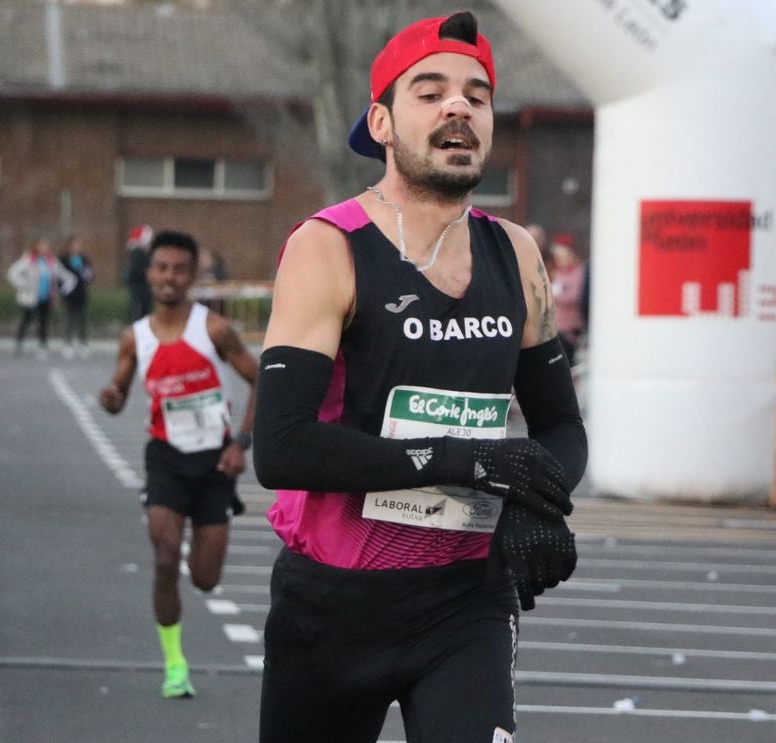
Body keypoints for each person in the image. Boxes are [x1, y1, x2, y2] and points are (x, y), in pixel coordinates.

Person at [250, 12, 585, 742]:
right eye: (429, 92)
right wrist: (470, 459)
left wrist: (539, 503)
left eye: (476, 95)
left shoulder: (516, 253)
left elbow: (560, 426)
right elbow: (281, 449)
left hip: (465, 603)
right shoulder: (329, 246)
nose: (458, 107)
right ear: (382, 121)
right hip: (334, 607)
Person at [98, 230, 258, 698]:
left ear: (192, 276)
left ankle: (202, 554)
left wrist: (240, 443)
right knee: (166, 559)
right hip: (165, 458)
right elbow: (118, 396)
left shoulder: (213, 329)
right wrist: (109, 398)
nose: (170, 277)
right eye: (162, 268)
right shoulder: (136, 337)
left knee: (206, 580)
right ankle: (174, 665)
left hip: (214, 464)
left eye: (179, 269)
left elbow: (260, 378)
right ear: (149, 274)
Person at [7, 239, 75, 358]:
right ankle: (18, 343)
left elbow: (64, 275)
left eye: (46, 246)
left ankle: (42, 345)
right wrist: (24, 284)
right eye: (42, 246)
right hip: (30, 297)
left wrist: (66, 286)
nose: (44, 249)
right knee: (26, 320)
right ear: (36, 247)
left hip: (46, 297)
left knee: (43, 322)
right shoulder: (29, 259)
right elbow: (12, 273)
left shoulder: (51, 261)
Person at [547, 232, 586, 362]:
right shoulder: (555, 272)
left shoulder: (576, 273)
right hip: (554, 327)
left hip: (568, 329)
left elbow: (574, 297)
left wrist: (553, 295)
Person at [59, 236, 95, 359]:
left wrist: (87, 273)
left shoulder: (84, 259)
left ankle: (82, 343)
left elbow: (91, 275)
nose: (77, 247)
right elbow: (59, 275)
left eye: (79, 245)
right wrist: (63, 287)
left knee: (82, 319)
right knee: (69, 319)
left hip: (81, 293)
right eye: (74, 245)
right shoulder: (64, 259)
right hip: (68, 293)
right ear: (69, 246)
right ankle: (67, 344)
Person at [125, 225, 153, 322]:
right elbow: (137, 270)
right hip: (140, 287)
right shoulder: (139, 254)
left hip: (140, 287)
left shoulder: (139, 253)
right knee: (139, 310)